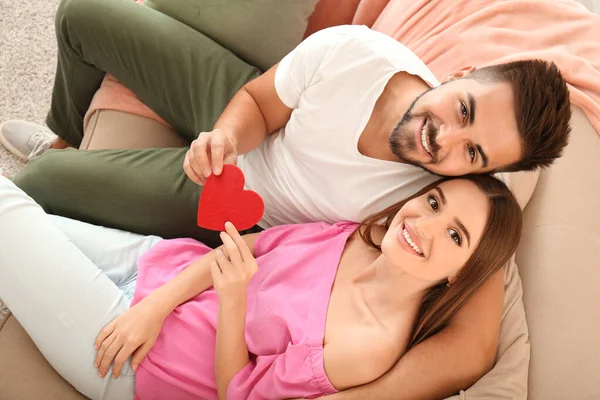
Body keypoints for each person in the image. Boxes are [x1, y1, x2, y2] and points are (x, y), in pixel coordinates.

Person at [0, 173, 522, 400]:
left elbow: (239, 394)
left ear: (464, 273)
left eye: (455, 235)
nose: (425, 225)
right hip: (160, 268)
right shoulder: (360, 235)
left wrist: (231, 303)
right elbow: (249, 247)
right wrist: (157, 303)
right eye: (434, 202)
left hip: (136, 355)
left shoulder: (368, 347)